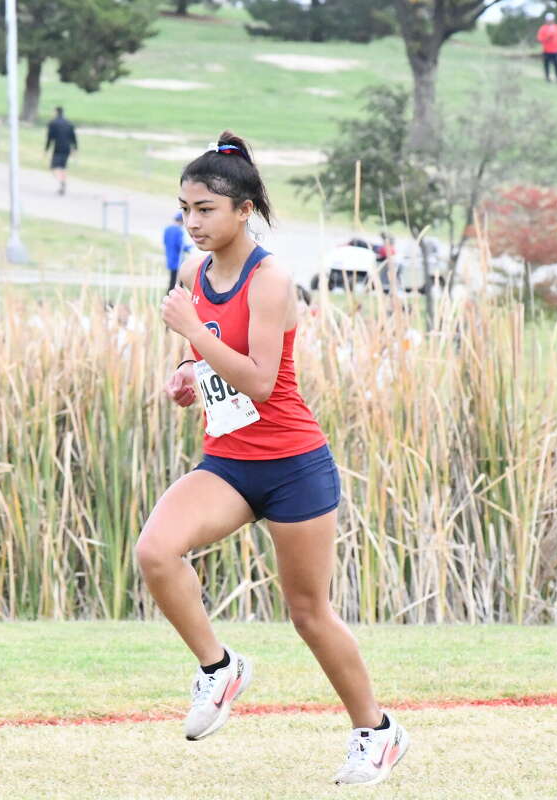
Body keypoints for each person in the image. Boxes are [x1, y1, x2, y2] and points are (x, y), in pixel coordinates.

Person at [140, 132, 409, 788]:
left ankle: (376, 732)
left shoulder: (272, 279)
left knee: (309, 613)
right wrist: (182, 375)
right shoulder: (192, 276)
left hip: (292, 465)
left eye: (205, 209)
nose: (192, 222)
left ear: (243, 210)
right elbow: (202, 364)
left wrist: (194, 336)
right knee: (154, 552)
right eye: (184, 209)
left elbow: (261, 381)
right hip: (228, 463)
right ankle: (219, 668)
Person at [45, 107, 77, 196]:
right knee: (63, 167)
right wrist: (75, 148)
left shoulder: (53, 123)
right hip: (67, 148)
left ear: (56, 112)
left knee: (53, 167)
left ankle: (62, 182)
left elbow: (50, 138)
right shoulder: (69, 123)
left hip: (58, 148)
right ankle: (63, 182)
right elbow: (73, 137)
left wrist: (46, 150)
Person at [163, 212, 191, 292]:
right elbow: (180, 245)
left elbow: (165, 242)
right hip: (178, 260)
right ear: (181, 221)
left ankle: (170, 296)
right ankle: (174, 298)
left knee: (172, 280)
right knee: (178, 283)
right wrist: (189, 248)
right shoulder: (179, 231)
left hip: (170, 257)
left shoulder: (167, 229)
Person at [537, 12, 557, 84]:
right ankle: (547, 78)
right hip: (547, 50)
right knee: (546, 64)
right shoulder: (543, 28)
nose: (550, 21)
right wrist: (548, 37)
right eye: (549, 20)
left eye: (551, 19)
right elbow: (540, 39)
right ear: (546, 20)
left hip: (556, 50)